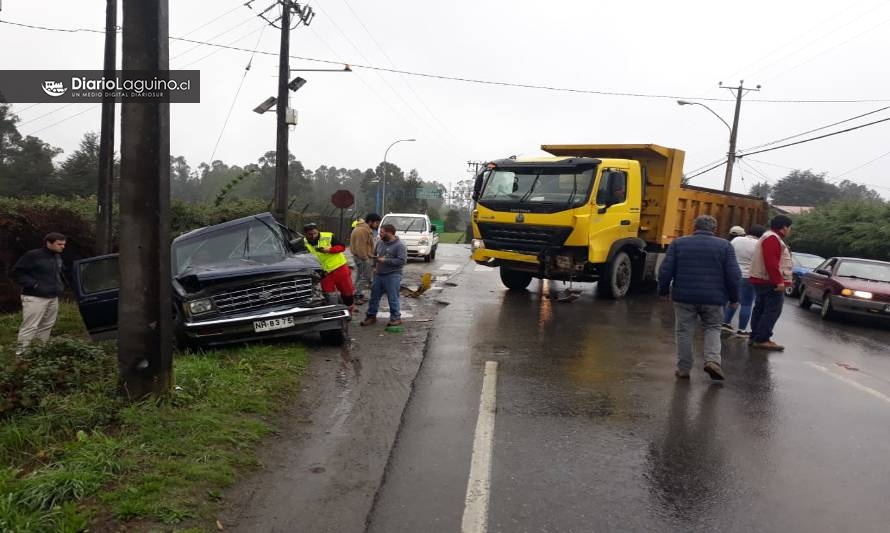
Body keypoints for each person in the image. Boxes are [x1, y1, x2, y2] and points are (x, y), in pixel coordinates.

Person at [658, 215, 741, 381]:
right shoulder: (725, 246)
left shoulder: (678, 243)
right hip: (714, 298)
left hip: (684, 297)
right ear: (714, 229)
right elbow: (733, 275)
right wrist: (734, 298)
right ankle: (712, 361)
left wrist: (663, 291)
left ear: (694, 227)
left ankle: (683, 369)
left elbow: (665, 270)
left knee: (684, 331)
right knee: (713, 328)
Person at [12, 232, 67, 354]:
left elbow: (58, 274)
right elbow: (17, 272)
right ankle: (21, 356)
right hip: (34, 297)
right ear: (49, 243)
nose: (63, 246)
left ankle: (39, 353)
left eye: (64, 244)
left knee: (47, 326)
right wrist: (34, 285)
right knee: (30, 327)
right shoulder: (32, 255)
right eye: (59, 244)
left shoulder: (57, 256)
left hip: (53, 297)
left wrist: (60, 287)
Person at [749, 215, 794, 351]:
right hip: (769, 281)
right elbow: (771, 262)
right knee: (771, 310)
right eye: (789, 227)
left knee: (761, 308)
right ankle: (762, 339)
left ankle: (756, 336)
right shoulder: (772, 238)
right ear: (784, 227)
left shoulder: (769, 237)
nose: (790, 230)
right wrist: (779, 281)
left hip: (763, 279)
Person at [721, 224, 766, 337]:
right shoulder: (760, 244)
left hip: (733, 274)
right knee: (746, 304)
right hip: (748, 276)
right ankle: (741, 330)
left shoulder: (736, 240)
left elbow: (727, 253)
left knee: (732, 300)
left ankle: (725, 323)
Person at [360, 223, 407, 327]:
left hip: (393, 275)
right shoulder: (380, 243)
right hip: (379, 275)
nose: (379, 234)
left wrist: (385, 260)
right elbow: (376, 255)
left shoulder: (400, 245)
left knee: (392, 297)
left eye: (382, 232)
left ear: (389, 233)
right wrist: (373, 267)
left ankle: (396, 318)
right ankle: (371, 316)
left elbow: (401, 261)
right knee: (374, 297)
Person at [302, 223, 356, 312]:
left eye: (315, 233)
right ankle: (333, 311)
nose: (313, 236)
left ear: (318, 231)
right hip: (324, 272)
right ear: (305, 234)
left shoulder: (328, 236)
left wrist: (329, 250)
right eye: (310, 234)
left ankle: (349, 310)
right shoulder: (304, 242)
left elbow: (342, 247)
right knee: (328, 294)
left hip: (339, 268)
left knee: (347, 291)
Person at [349, 213, 381, 305]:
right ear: (370, 221)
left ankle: (357, 294)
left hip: (360, 257)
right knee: (365, 277)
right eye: (376, 223)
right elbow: (360, 247)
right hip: (362, 258)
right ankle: (356, 296)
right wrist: (366, 258)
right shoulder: (362, 230)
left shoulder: (363, 229)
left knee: (360, 277)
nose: (377, 225)